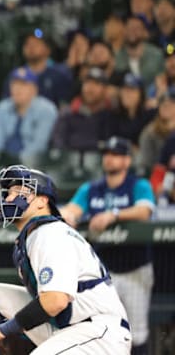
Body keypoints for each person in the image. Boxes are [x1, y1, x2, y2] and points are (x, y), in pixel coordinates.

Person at [0, 165, 131, 354]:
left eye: (19, 191)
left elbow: (55, 301)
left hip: (98, 332)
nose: (9, 198)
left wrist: (2, 331)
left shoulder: (50, 233)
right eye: (9, 193)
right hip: (68, 328)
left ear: (42, 201)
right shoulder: (36, 235)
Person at [61, 137, 154, 355]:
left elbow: (145, 211)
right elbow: (71, 209)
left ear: (127, 161)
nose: (109, 159)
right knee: (100, 328)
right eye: (107, 154)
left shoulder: (138, 185)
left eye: (115, 155)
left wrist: (113, 215)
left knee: (137, 331)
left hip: (135, 268)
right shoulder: (92, 188)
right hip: (103, 273)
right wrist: (68, 216)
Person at [0, 68, 58, 159]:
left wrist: (18, 167)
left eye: (23, 84)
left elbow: (39, 146)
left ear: (34, 90)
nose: (17, 89)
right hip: (2, 166)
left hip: (35, 165)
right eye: (14, 84)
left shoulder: (47, 110)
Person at [51, 67, 112, 152]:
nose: (90, 88)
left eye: (96, 84)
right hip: (69, 162)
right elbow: (58, 142)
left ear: (105, 90)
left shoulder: (110, 114)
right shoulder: (68, 112)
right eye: (87, 83)